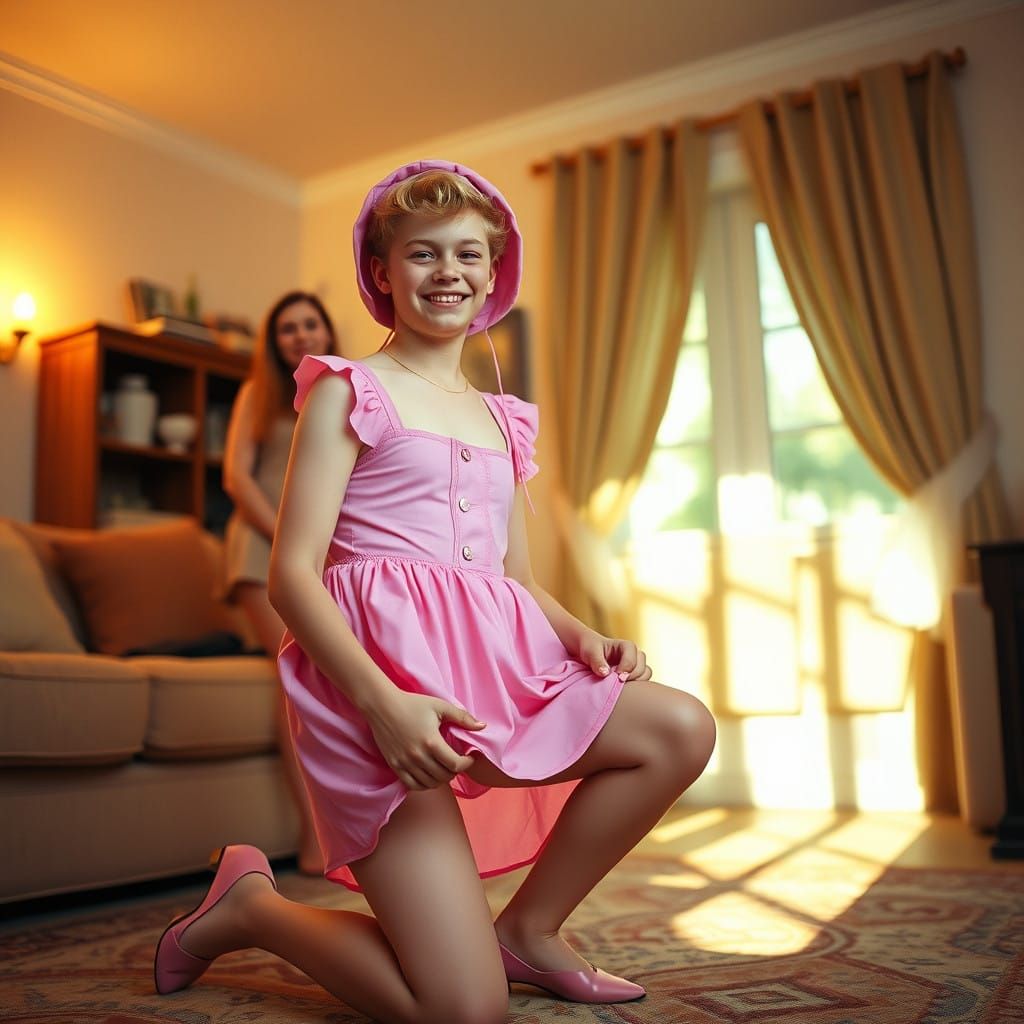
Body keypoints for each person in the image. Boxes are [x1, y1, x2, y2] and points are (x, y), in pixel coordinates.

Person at [154, 161, 716, 1024]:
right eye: (422, 254)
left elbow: (515, 578)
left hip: (499, 675)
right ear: (382, 273)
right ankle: (253, 909)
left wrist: (580, 638)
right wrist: (384, 706)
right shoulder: (347, 390)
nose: (446, 271)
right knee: (464, 1013)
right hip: (382, 697)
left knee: (679, 725)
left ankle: (530, 928)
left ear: (494, 275)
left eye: (467, 255)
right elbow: (293, 574)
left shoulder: (502, 418)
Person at [221, 290, 340, 875]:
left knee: (326, 671)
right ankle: (311, 835)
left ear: (327, 332)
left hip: (311, 561)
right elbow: (236, 479)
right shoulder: (258, 395)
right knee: (297, 671)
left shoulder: (340, 394)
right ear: (274, 343)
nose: (299, 335)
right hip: (258, 553)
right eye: (286, 328)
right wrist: (289, 538)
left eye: (309, 324)